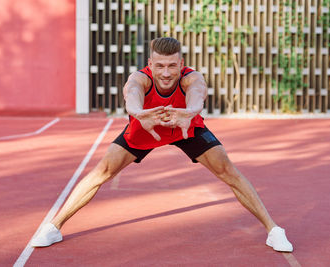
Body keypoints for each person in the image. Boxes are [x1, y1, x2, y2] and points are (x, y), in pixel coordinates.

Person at [31, 37, 293, 252]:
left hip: (186, 127)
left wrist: (190, 111)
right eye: (159, 66)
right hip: (146, 127)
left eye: (171, 66)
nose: (166, 73)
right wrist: (137, 113)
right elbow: (131, 92)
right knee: (101, 173)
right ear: (150, 64)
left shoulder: (191, 77)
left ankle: (273, 229)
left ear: (181, 64)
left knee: (228, 171)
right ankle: (54, 227)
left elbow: (197, 92)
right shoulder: (140, 78)